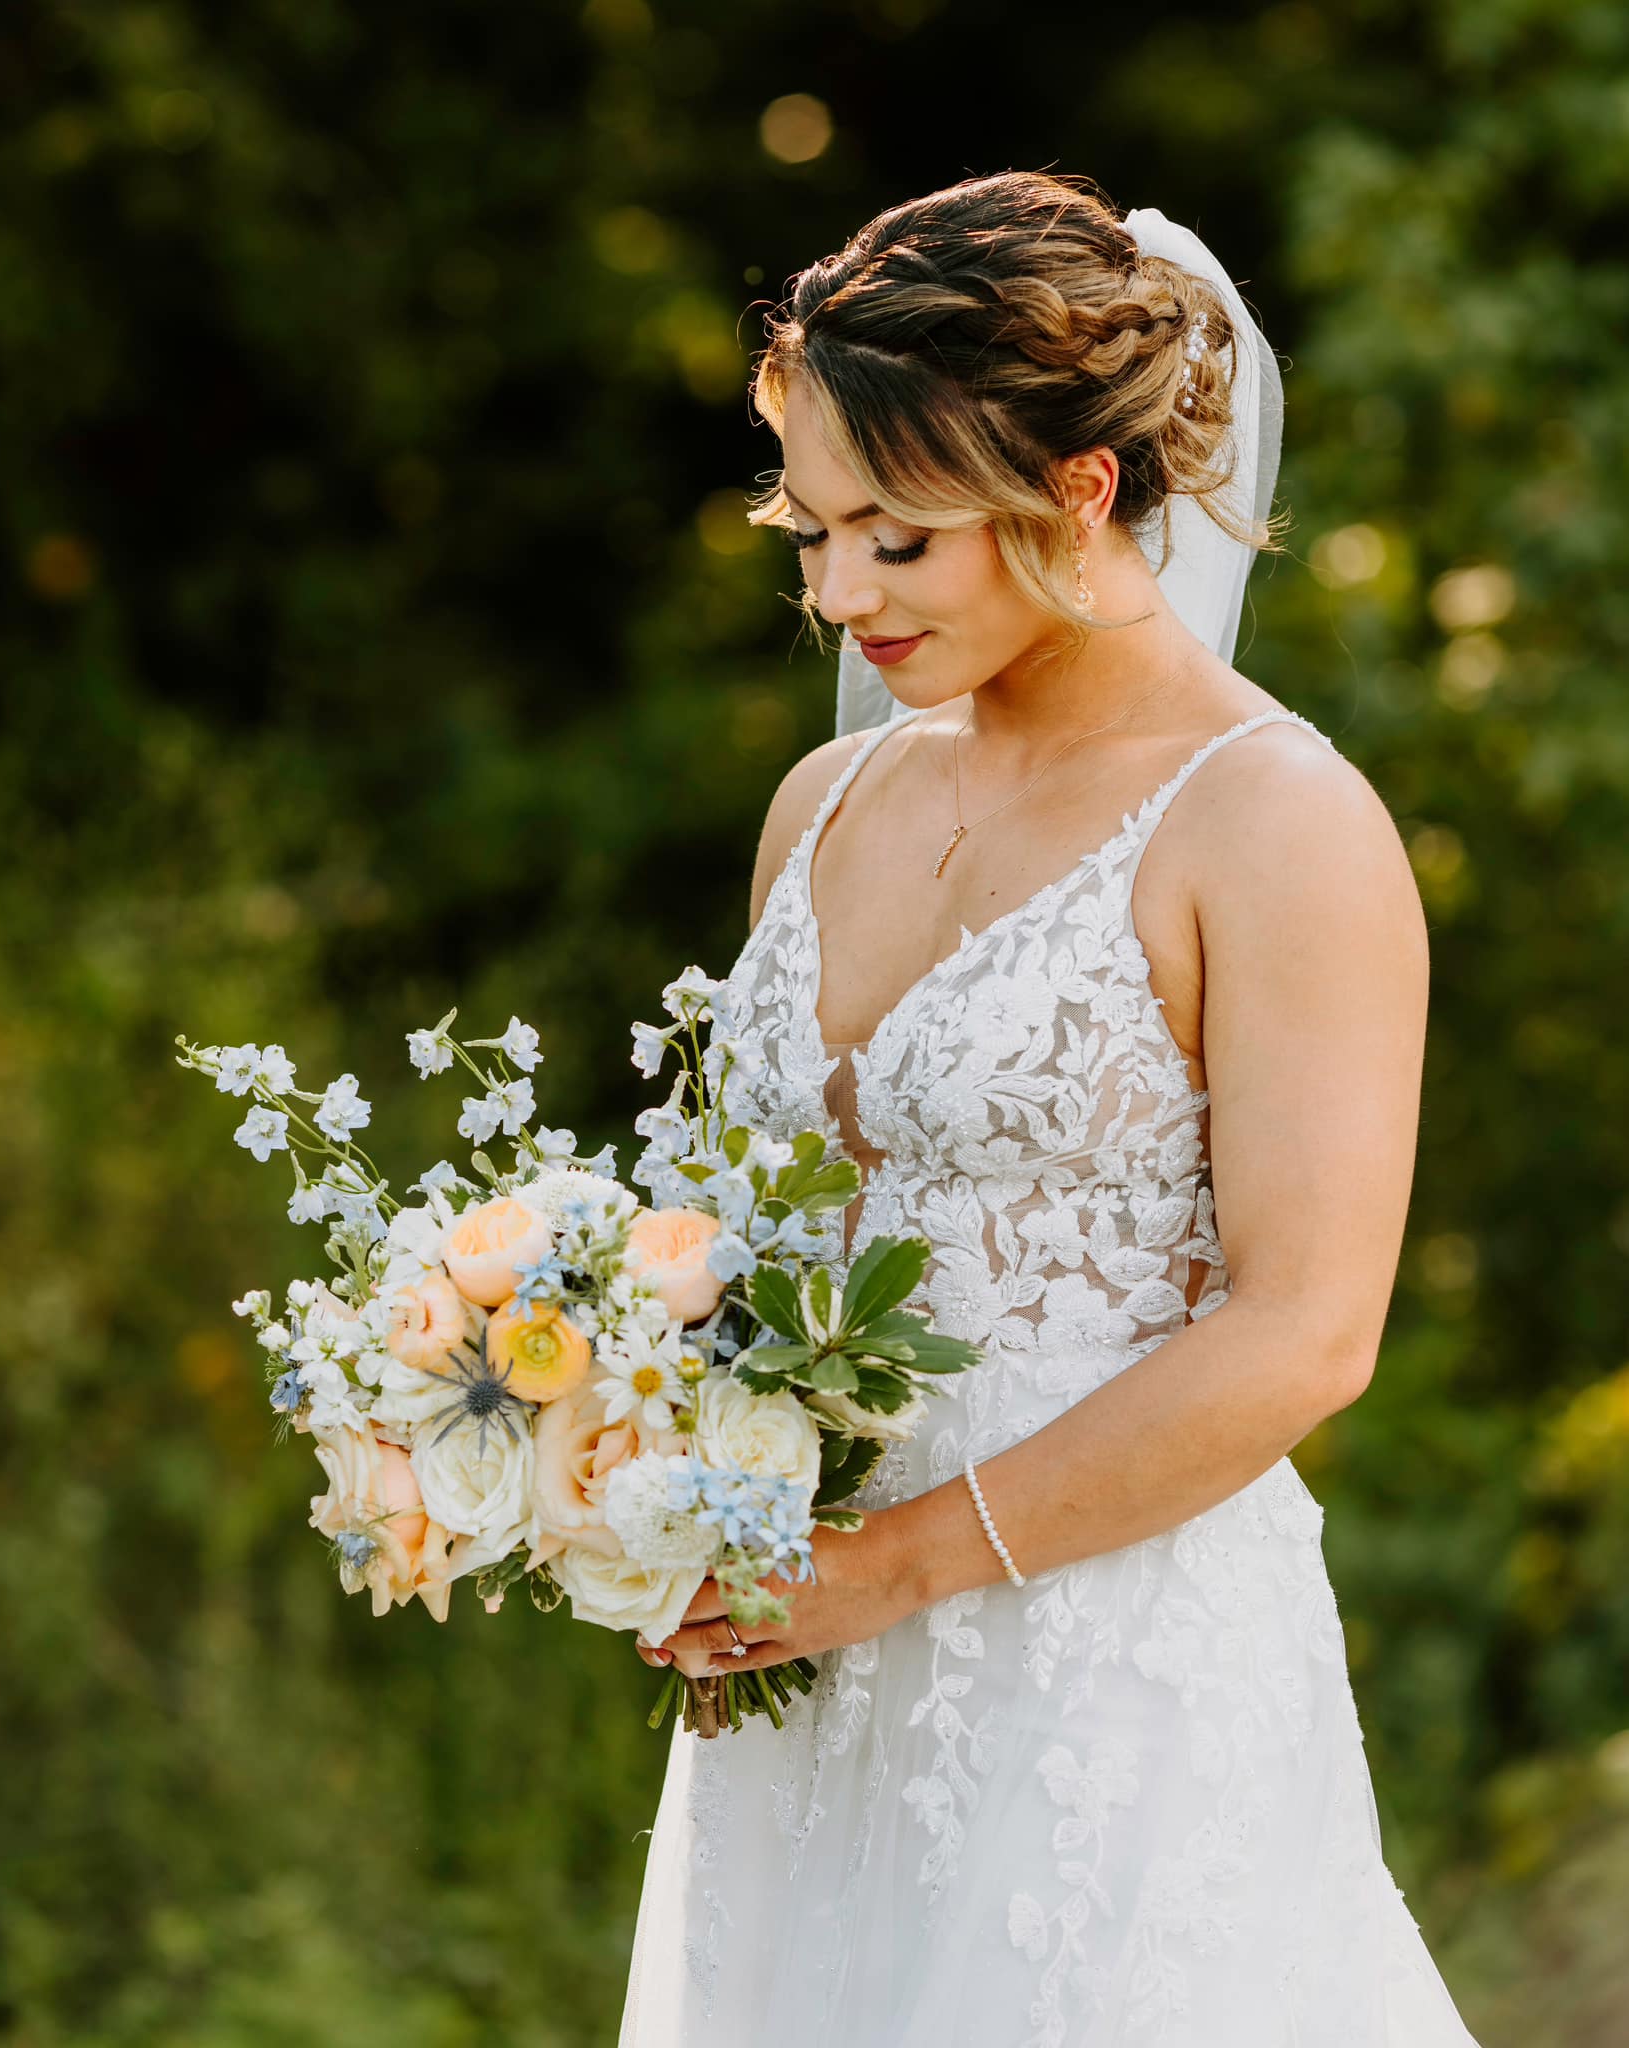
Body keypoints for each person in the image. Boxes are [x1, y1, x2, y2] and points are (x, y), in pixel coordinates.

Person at [618, 171, 1482, 2046]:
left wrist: (894, 1568)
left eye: (897, 541)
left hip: (1102, 1680)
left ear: (1078, 492)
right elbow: (738, 1248)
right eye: (814, 531)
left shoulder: (1277, 825)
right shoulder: (822, 806)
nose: (839, 595)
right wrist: (582, 1422)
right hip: (804, 1681)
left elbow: (1306, 1335)